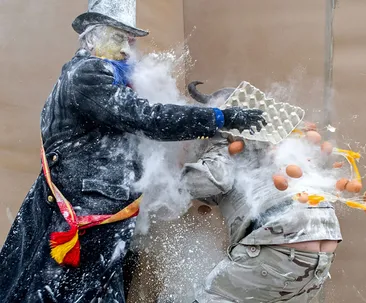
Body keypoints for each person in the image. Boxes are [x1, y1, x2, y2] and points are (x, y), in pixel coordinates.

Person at [0, 1, 264, 302]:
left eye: (130, 40)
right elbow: (146, 117)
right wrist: (219, 118)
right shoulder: (89, 74)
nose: (127, 48)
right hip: (88, 217)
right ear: (92, 38)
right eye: (118, 37)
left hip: (101, 212)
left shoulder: (101, 75)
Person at [182, 82, 342, 303]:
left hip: (283, 240)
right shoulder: (281, 141)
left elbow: (201, 183)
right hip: (323, 242)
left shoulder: (229, 143)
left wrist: (210, 147)